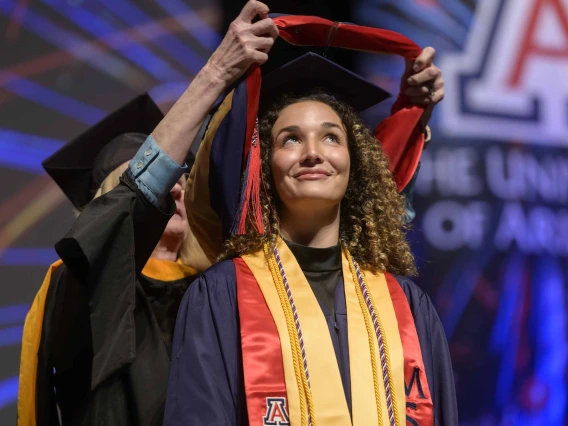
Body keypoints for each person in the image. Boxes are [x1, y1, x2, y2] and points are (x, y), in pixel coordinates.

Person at [163, 2, 457, 426]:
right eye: (290, 140)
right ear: (265, 167)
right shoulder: (222, 296)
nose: (313, 153)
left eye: (331, 137)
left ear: (356, 166)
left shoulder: (408, 306)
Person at [17, 94, 209, 426]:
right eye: (157, 181)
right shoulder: (81, 284)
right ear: (109, 206)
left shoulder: (215, 290)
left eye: (180, 179)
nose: (175, 189)